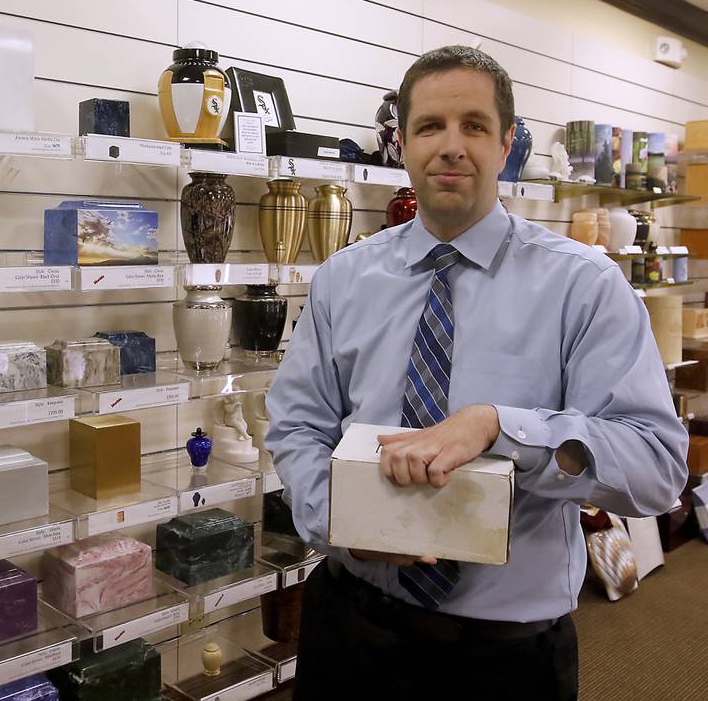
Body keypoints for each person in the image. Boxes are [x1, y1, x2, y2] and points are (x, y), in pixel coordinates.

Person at [264, 45, 688, 699]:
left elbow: (658, 466)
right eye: (431, 126)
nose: (451, 146)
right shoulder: (342, 280)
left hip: (505, 659)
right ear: (401, 142)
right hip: (350, 628)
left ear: (508, 142)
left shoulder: (585, 286)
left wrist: (499, 428)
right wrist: (343, 520)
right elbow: (297, 426)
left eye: (475, 125)